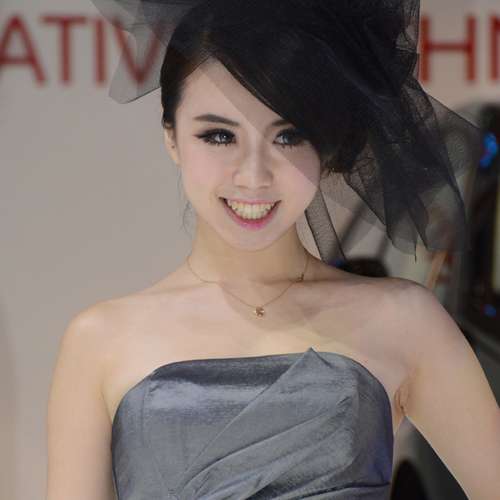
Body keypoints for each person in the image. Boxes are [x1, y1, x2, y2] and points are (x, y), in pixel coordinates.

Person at [46, 1, 500, 499]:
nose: (254, 175)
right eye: (220, 135)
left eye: (288, 136)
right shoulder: (101, 340)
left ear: (326, 145)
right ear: (172, 137)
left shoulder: (404, 321)